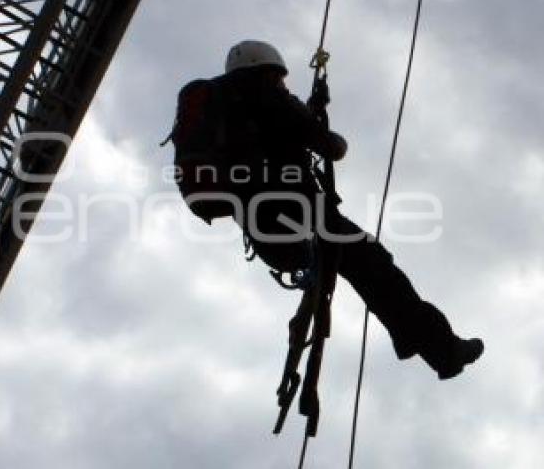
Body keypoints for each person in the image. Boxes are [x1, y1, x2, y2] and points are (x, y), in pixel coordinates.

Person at [189, 39, 483, 379]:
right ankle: (442, 351)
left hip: (264, 229)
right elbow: (332, 148)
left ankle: (424, 344)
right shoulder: (267, 95)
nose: (284, 84)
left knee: (368, 268)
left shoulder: (227, 103)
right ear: (268, 69)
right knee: (377, 267)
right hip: (300, 215)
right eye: (280, 78)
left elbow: (271, 140)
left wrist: (307, 111)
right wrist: (321, 129)